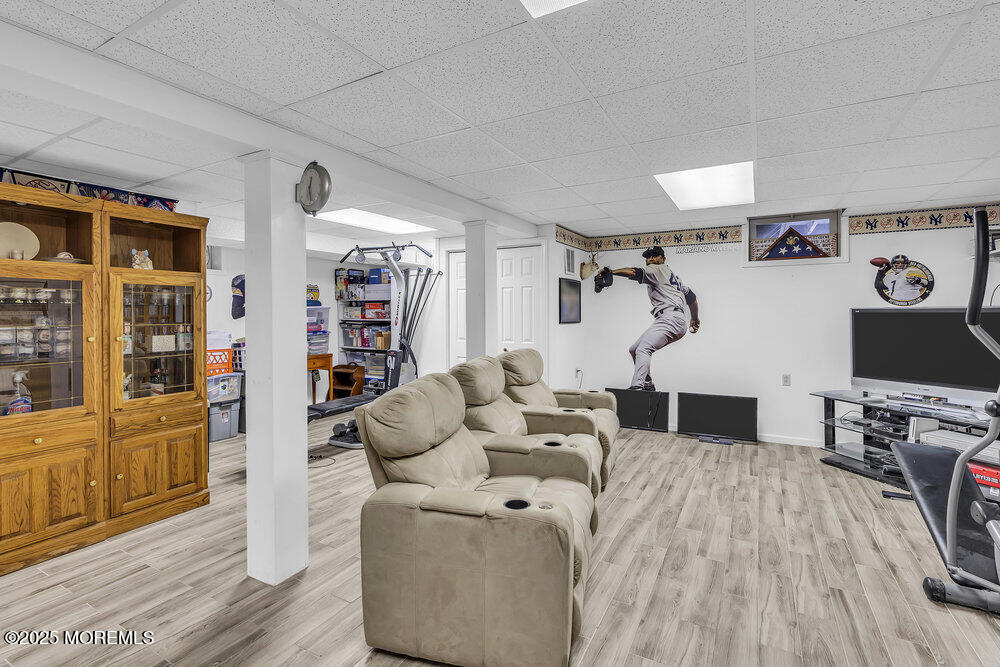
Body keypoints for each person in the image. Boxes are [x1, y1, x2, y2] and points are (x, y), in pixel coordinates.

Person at [609, 246, 700, 390]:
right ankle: (647, 383)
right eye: (648, 256)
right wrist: (694, 318)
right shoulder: (672, 275)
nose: (650, 258)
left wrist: (611, 272)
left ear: (663, 259)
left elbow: (633, 272)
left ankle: (637, 387)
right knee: (634, 349)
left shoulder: (657, 269)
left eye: (655, 255)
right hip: (671, 319)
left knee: (643, 349)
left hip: (670, 319)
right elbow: (691, 296)